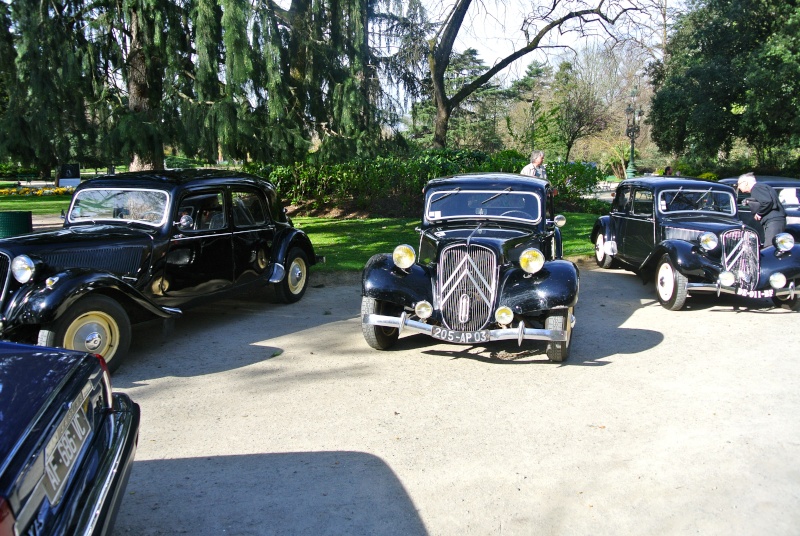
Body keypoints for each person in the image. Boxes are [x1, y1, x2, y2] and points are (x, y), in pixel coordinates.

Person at [737, 172, 786, 246]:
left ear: (745, 183)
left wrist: (759, 213)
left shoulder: (756, 188)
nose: (738, 187)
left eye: (739, 184)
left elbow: (767, 201)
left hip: (773, 221)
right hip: (776, 219)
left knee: (770, 246)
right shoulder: (762, 186)